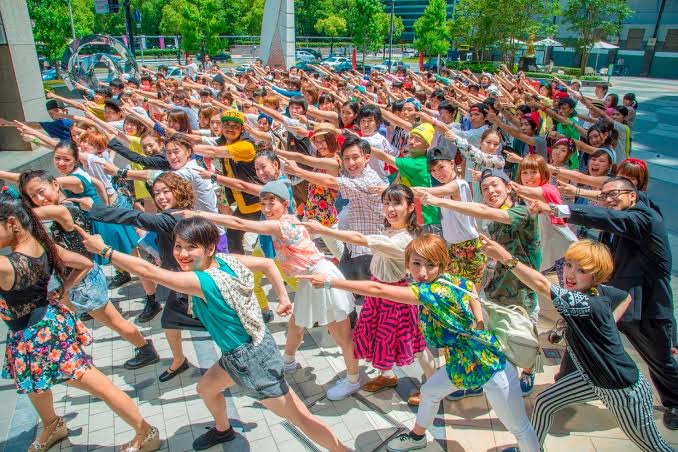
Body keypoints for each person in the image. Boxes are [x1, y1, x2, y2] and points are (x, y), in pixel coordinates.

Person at [75, 216, 348, 452]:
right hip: (242, 350)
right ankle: (223, 429)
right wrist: (282, 297)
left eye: (190, 247)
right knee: (206, 389)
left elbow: (148, 271)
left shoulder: (203, 281)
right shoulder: (225, 261)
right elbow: (266, 264)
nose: (182, 253)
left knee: (301, 418)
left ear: (209, 248)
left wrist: (104, 250)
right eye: (178, 246)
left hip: (252, 360)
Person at [299, 234, 540, 452]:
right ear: (407, 263)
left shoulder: (431, 292)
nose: (422, 272)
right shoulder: (453, 279)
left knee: (519, 427)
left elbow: (377, 289)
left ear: (441, 264)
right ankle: (417, 437)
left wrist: (330, 282)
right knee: (429, 391)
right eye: (416, 263)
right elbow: (472, 293)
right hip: (463, 363)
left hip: (489, 367)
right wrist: (478, 321)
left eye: (430, 265)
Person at [480, 236, 675, 451]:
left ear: (596, 275)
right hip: (590, 377)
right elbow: (624, 297)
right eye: (569, 265)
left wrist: (504, 257)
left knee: (655, 447)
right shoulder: (597, 291)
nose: (570, 274)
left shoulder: (585, 303)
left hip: (620, 389)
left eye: (582, 270)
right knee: (545, 402)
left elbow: (541, 285)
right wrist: (603, 327)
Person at [0, 193, 160, 452]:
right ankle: (52, 425)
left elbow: (85, 264)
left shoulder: (6, 265)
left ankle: (146, 431)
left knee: (99, 385)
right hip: (45, 326)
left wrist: (61, 289)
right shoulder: (43, 244)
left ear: (12, 223)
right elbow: (84, 263)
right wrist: (62, 289)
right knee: (36, 385)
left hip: (38, 338)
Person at [182, 180, 360, 401]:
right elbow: (249, 189)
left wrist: (198, 214)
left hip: (321, 277)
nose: (266, 209)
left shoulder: (281, 225)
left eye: (271, 204)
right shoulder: (284, 219)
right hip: (308, 280)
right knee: (296, 323)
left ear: (284, 204)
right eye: (263, 204)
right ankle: (288, 361)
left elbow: (239, 222)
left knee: (341, 336)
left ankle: (353, 380)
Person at [531, 176, 678, 430]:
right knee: (581, 335)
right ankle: (566, 381)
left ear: (632, 195)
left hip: (646, 305)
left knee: (659, 358)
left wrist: (556, 208)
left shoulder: (643, 217)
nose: (608, 200)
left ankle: (674, 401)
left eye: (613, 194)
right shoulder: (623, 212)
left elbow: (608, 218)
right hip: (613, 295)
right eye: (603, 195)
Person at [19, 170, 160, 369]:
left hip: (85, 281)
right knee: (78, 319)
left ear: (55, 184)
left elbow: (24, 215)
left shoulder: (63, 209)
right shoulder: (61, 207)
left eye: (41, 192)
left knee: (114, 322)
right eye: (33, 196)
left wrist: (11, 209)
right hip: (74, 278)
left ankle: (145, 349)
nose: (39, 199)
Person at [302, 185, 435, 395]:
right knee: (380, 338)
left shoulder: (404, 239)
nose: (390, 208)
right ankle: (388, 376)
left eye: (397, 203)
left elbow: (361, 239)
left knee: (415, 344)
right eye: (387, 203)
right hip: (378, 294)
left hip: (395, 297)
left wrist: (323, 230)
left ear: (411, 207)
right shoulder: (393, 229)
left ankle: (432, 387)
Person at [420, 168, 541, 396]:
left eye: (495, 185)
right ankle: (484, 378)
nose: (490, 191)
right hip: (497, 290)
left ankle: (528, 371)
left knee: (526, 340)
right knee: (495, 338)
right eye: (485, 188)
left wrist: (440, 201)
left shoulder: (523, 212)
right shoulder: (492, 224)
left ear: (508, 187)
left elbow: (484, 211)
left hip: (523, 292)